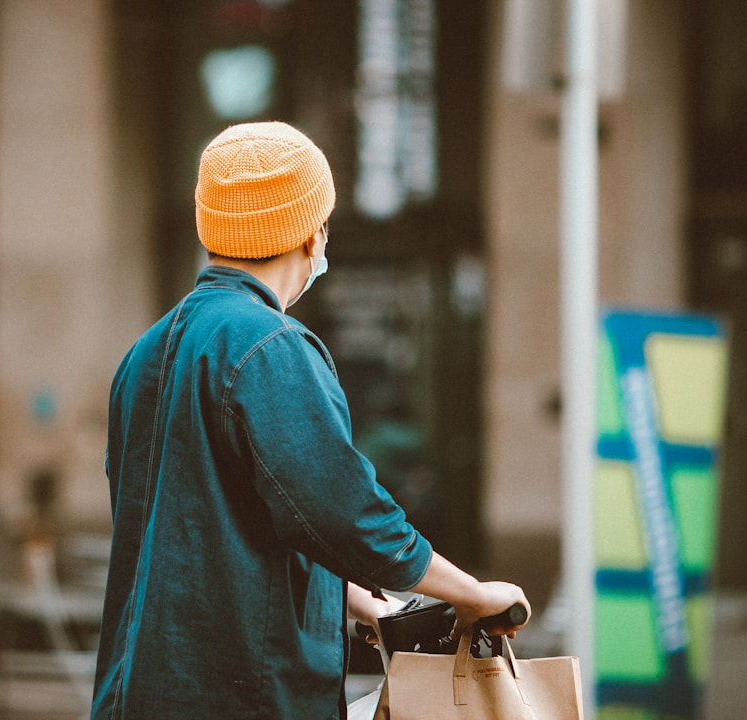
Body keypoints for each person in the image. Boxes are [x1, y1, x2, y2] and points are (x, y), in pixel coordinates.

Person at [91, 121, 529, 720]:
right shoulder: (269, 345)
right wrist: (472, 595)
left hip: (135, 692)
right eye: (322, 224)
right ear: (306, 234)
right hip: (239, 698)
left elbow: (226, 530)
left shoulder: (144, 354)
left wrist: (364, 607)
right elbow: (345, 514)